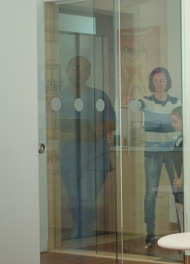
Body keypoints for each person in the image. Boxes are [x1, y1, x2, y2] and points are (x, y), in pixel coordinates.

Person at [59, 56, 116, 239]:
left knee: (86, 197)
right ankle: (81, 231)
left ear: (88, 73)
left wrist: (87, 132)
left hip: (94, 158)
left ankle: (81, 233)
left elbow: (110, 124)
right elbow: (52, 126)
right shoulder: (60, 97)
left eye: (82, 68)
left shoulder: (99, 96)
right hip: (69, 158)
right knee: (73, 199)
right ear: (67, 71)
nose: (77, 71)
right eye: (73, 67)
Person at [139, 67, 181, 246]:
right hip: (152, 151)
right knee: (151, 192)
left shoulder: (176, 101)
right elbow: (136, 106)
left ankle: (183, 229)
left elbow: (181, 122)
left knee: (177, 190)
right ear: (151, 82)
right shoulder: (146, 101)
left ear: (167, 82)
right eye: (156, 80)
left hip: (172, 151)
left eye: (162, 80)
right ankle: (150, 232)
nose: (159, 84)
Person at [170, 106, 183, 232]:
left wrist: (182, 178)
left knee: (184, 209)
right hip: (178, 181)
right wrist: (175, 177)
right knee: (178, 207)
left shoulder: (187, 139)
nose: (173, 125)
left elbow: (187, 161)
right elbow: (175, 159)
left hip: (183, 181)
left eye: (175, 122)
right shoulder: (178, 139)